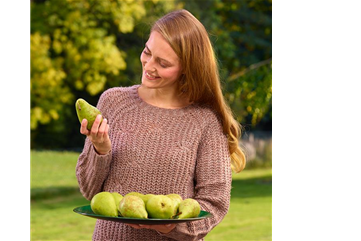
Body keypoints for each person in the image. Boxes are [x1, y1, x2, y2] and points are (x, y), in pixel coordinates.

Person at [76, 9, 246, 241]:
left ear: (187, 67)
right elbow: (90, 192)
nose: (149, 65)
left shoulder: (205, 120)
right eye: (147, 52)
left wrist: (172, 227)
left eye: (163, 63)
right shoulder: (113, 102)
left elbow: (215, 203)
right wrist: (100, 149)